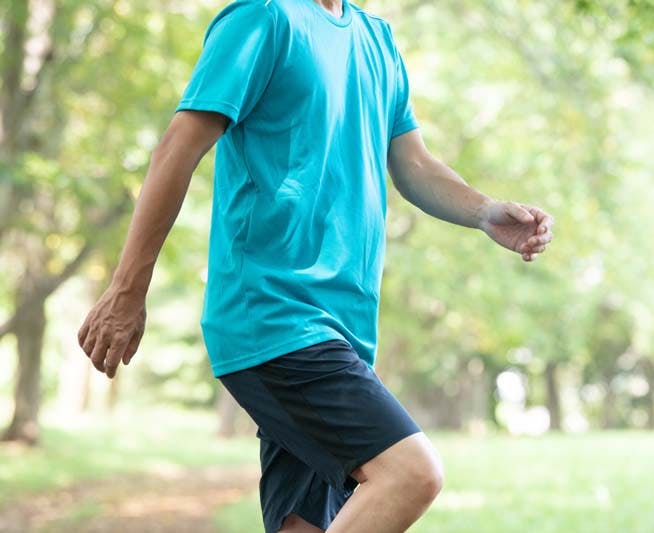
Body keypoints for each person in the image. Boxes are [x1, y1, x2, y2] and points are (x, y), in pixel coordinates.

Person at [76, 0, 554, 531]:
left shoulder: (377, 41)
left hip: (342, 329)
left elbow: (414, 164)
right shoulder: (262, 19)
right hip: (274, 316)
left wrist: (484, 211)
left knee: (303, 525)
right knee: (409, 474)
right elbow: (176, 149)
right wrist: (126, 289)